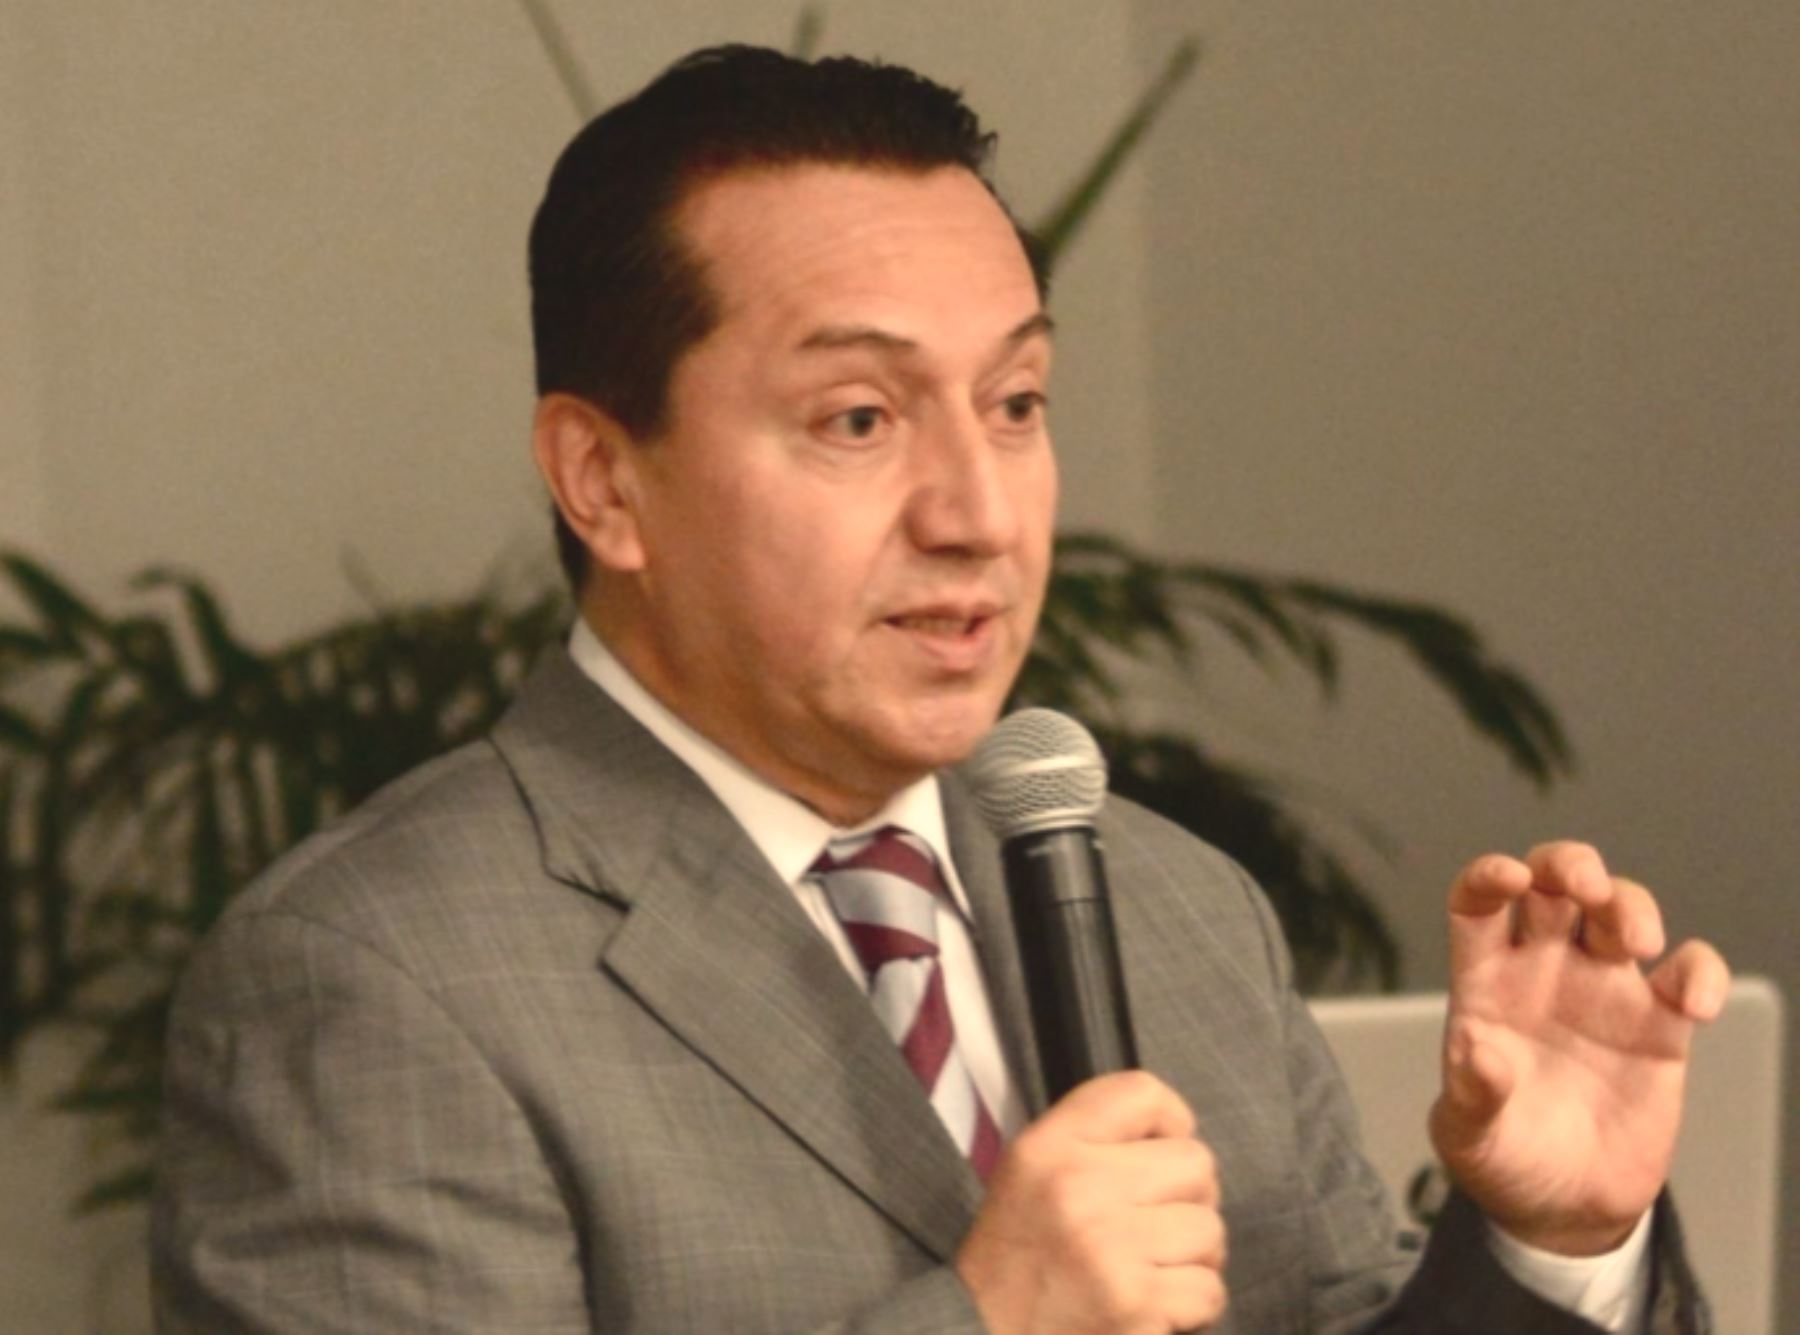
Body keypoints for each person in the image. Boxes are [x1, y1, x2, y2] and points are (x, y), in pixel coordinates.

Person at [151, 46, 1729, 1333]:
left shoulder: (1180, 910)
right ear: (603, 481)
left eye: (1017, 402)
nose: (979, 512)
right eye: (859, 418)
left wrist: (1547, 1249)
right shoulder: (376, 979)